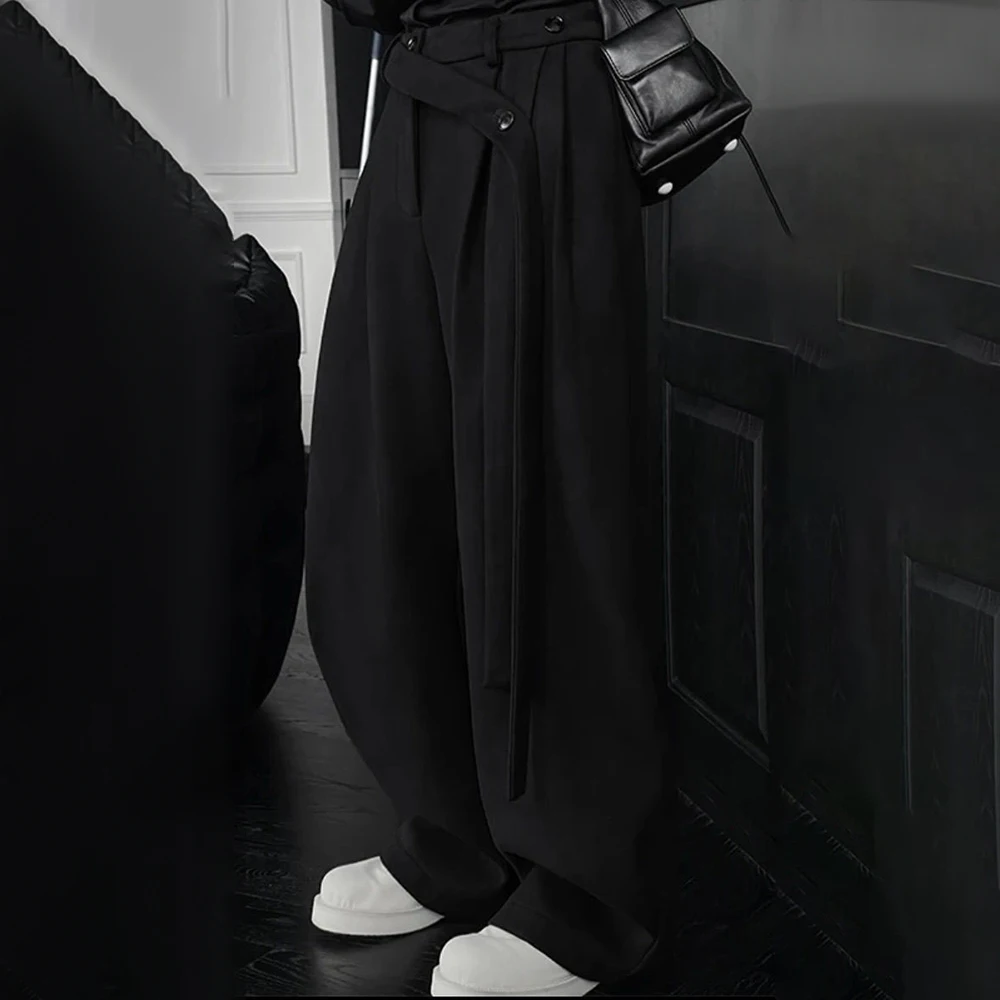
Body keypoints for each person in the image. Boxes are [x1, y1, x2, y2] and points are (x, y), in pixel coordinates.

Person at [307, 0, 673, 994]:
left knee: (550, 486)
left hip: (542, 58)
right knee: (383, 477)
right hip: (413, 81)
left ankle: (589, 891)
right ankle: (451, 834)